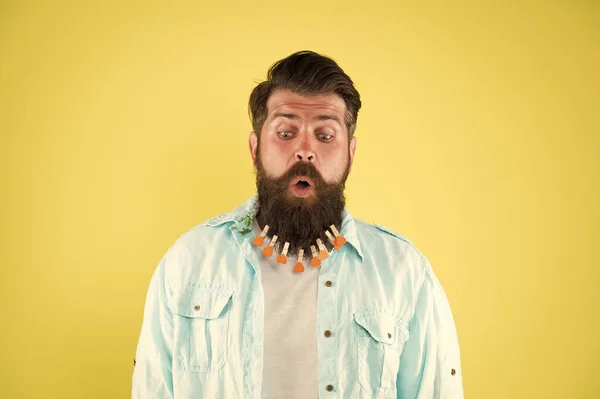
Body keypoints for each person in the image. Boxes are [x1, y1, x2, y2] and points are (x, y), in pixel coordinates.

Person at [131, 50, 464, 398]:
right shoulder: (189, 262)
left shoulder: (403, 272)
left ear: (350, 153)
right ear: (255, 147)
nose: (305, 150)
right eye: (286, 132)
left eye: (325, 135)